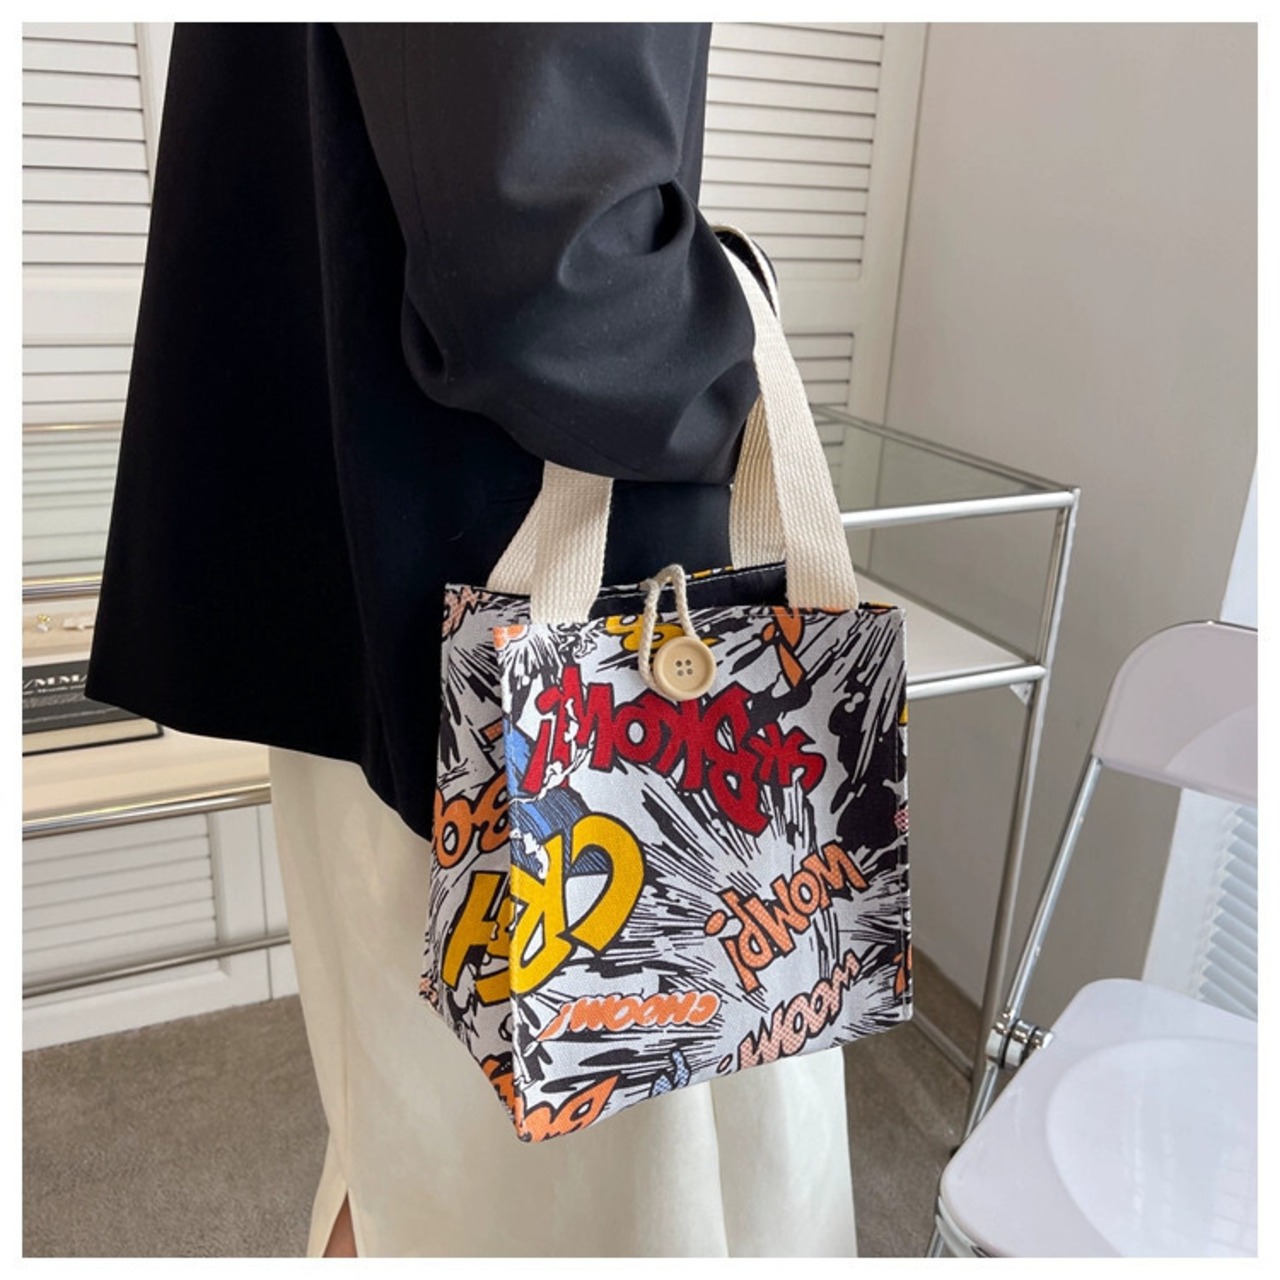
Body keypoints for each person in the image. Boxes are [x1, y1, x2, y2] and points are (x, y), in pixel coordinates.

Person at [86, 22, 858, 1257]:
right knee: (602, 1206)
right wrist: (731, 351)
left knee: (422, 1159)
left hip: (396, 564)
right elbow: (551, 263)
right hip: (518, 644)